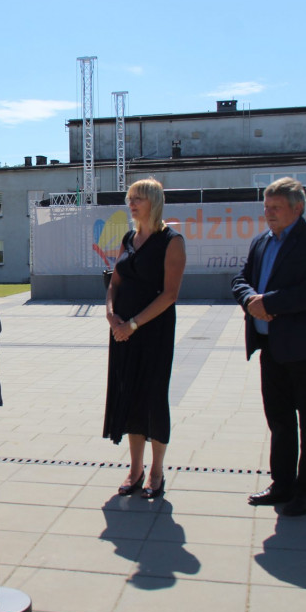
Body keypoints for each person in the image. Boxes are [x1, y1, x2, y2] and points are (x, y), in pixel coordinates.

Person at [231, 177, 306, 517]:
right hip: (271, 347)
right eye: (266, 208)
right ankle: (282, 485)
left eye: (275, 208)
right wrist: (250, 298)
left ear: (298, 208)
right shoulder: (261, 241)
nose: (269, 214)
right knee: (278, 420)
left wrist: (271, 303)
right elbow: (240, 278)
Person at [103, 178, 186, 499]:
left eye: (138, 198)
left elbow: (169, 295)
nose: (132, 204)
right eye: (129, 199)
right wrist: (111, 315)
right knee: (130, 396)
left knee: (153, 398)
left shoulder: (172, 241)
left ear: (154, 201)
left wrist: (133, 324)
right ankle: (135, 469)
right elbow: (115, 282)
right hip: (122, 333)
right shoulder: (128, 238)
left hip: (152, 333)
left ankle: (156, 471)